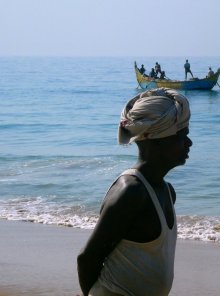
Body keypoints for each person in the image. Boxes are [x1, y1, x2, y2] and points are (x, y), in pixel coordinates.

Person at [77, 88, 192, 296]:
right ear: (157, 139)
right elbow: (88, 258)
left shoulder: (167, 191)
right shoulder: (131, 192)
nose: (189, 143)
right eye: (182, 135)